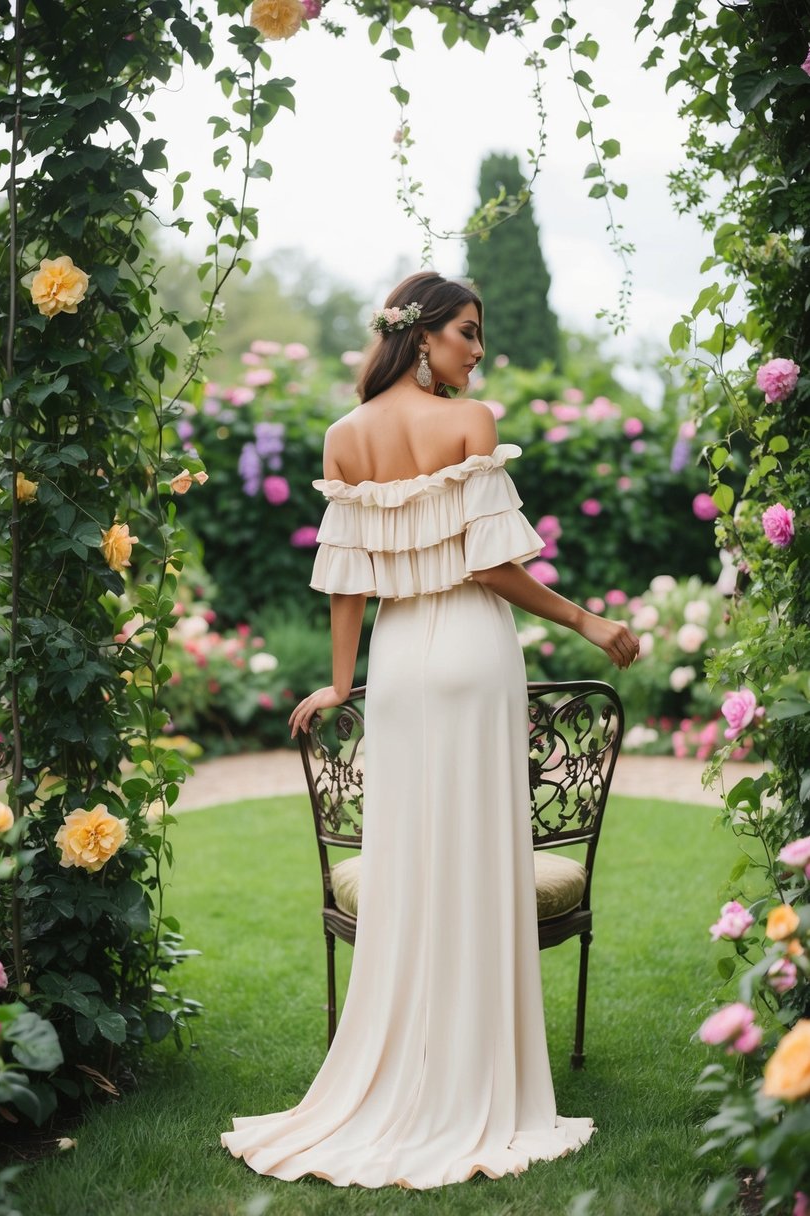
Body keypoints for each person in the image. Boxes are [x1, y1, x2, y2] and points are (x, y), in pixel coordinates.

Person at [221, 271, 640, 1188]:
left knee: (412, 856)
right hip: (474, 654)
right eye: (466, 332)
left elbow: (345, 580)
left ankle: (406, 1063)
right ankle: (476, 1071)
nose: (477, 350)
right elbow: (490, 566)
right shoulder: (470, 422)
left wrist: (340, 685)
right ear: (421, 337)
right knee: (480, 854)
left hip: (400, 663)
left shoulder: (344, 436)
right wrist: (585, 621)